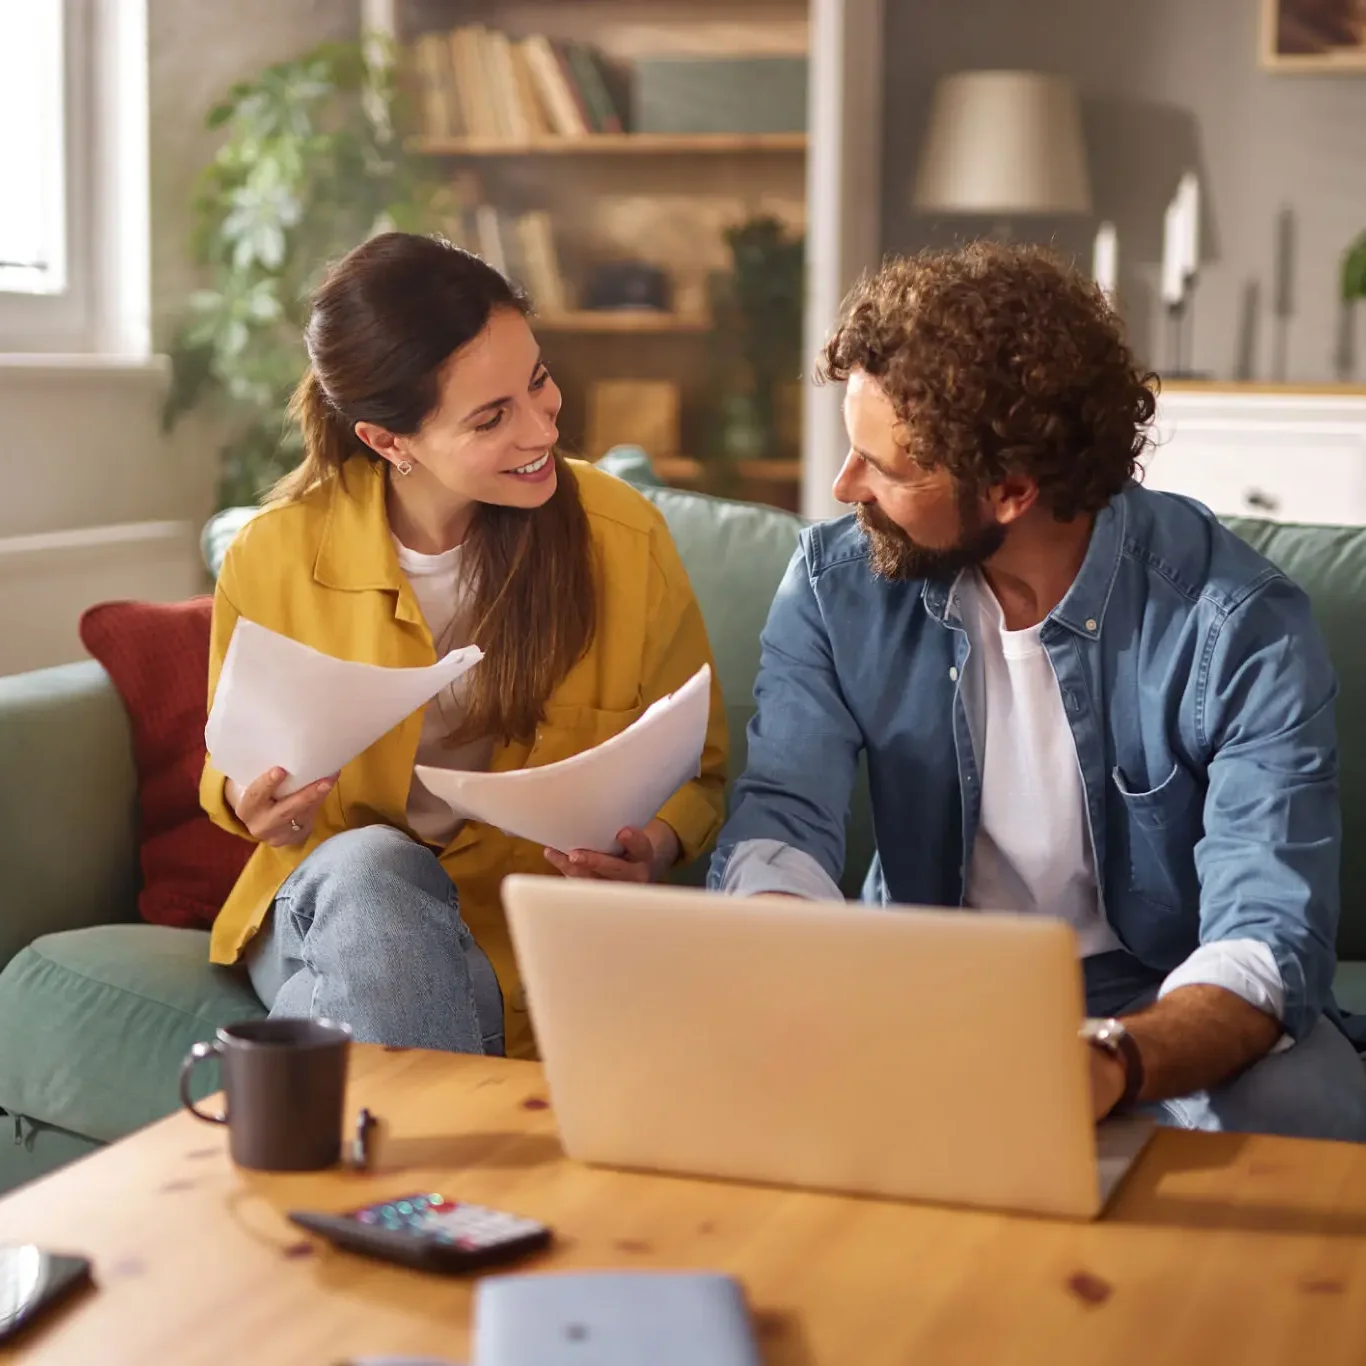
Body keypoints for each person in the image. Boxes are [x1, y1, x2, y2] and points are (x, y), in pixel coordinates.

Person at [710, 241, 1366, 1141]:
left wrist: (1106, 1062)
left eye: (887, 469)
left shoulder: (1237, 625)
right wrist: (805, 967)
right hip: (920, 976)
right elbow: (784, 817)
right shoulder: (835, 585)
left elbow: (1266, 934)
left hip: (1155, 993)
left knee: (1305, 1107)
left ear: (1011, 490)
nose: (843, 487)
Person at [202, 231, 727, 1061]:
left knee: (336, 1020)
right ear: (388, 441)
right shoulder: (273, 557)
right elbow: (231, 766)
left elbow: (702, 769)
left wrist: (651, 845)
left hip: (522, 930)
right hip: (333, 904)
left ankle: (358, 1155)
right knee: (372, 871)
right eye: (492, 417)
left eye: (539, 381)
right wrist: (250, 803)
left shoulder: (623, 538)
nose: (541, 427)